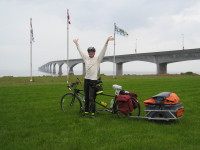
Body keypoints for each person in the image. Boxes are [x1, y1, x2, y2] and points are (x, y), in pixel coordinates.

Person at [73, 36, 114, 118]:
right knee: (87, 98)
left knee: (91, 98)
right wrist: (77, 44)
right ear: (88, 53)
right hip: (86, 80)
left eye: (92, 52)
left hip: (93, 81)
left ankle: (93, 114)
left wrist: (107, 41)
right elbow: (80, 52)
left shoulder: (98, 59)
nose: (91, 53)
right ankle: (86, 112)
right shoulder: (86, 58)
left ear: (94, 52)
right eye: (89, 52)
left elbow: (103, 51)